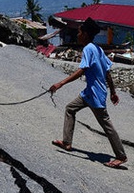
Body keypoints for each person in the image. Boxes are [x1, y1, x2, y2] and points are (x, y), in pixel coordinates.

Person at [49, 18, 128, 168]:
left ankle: (121, 156)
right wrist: (112, 91)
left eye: (79, 32)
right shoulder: (97, 49)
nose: (77, 34)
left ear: (85, 34)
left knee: (106, 125)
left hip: (95, 94)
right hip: (89, 93)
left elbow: (82, 70)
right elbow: (107, 72)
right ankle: (67, 142)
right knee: (70, 108)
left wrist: (60, 83)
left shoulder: (88, 49)